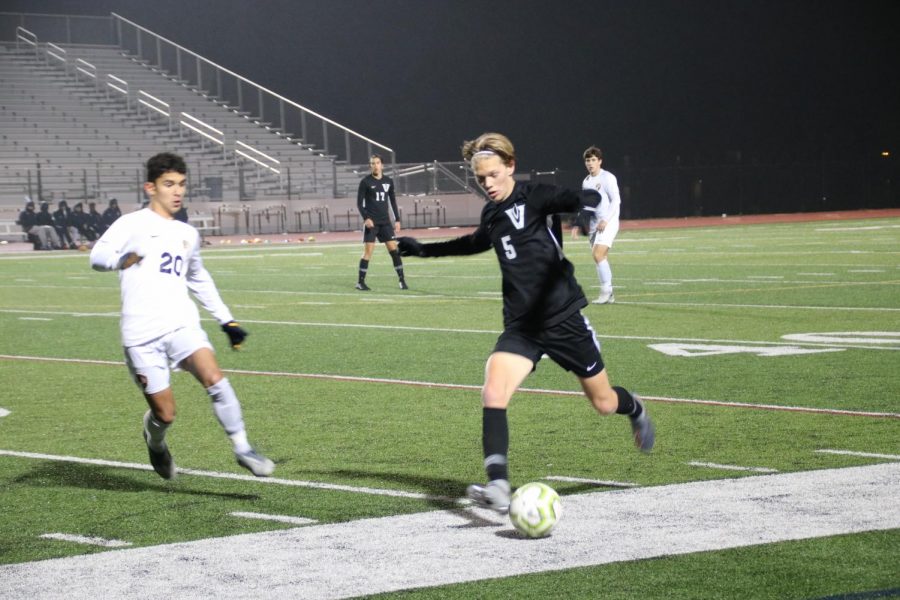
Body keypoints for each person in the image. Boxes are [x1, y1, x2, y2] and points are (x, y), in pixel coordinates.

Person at [397, 132, 654, 512]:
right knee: (493, 391)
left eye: (493, 175)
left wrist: (586, 206)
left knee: (602, 403)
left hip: (564, 319)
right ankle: (498, 485)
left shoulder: (536, 196)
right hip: (523, 327)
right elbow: (472, 243)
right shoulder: (492, 214)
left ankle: (634, 408)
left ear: (510, 167)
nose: (487, 184)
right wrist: (423, 250)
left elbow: (579, 198)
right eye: (480, 179)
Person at [90, 152, 274, 480]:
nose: (177, 191)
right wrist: (121, 260)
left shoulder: (188, 234)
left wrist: (226, 320)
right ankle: (155, 442)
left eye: (182, 185)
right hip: (140, 333)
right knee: (166, 414)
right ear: (151, 187)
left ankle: (243, 447)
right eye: (169, 184)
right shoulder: (131, 223)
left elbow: (199, 279)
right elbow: (97, 255)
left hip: (180, 324)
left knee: (214, 378)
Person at [575, 146, 622, 304]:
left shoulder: (607, 177)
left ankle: (606, 292)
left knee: (597, 254)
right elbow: (587, 206)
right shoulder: (586, 181)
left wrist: (606, 220)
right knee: (600, 258)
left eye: (593, 160)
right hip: (595, 224)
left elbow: (616, 200)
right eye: (588, 160)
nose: (590, 163)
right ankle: (610, 294)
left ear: (600, 161)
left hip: (608, 222)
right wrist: (580, 223)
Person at [355, 154, 407, 290]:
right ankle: (360, 282)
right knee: (368, 253)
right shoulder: (365, 182)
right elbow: (359, 204)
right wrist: (366, 218)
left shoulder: (388, 181)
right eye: (372, 163)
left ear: (382, 165)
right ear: (370, 166)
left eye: (377, 163)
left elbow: (392, 201)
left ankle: (402, 280)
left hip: (385, 223)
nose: (375, 165)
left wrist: (397, 219)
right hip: (372, 223)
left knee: (394, 251)